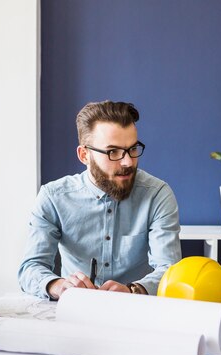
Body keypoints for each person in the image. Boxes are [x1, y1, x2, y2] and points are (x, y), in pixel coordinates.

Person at [18, 100, 182, 300]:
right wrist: (59, 286)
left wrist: (133, 290)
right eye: (113, 152)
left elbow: (170, 271)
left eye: (132, 149)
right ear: (84, 155)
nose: (128, 161)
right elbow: (30, 268)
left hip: (137, 312)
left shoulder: (157, 194)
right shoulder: (53, 197)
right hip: (75, 313)